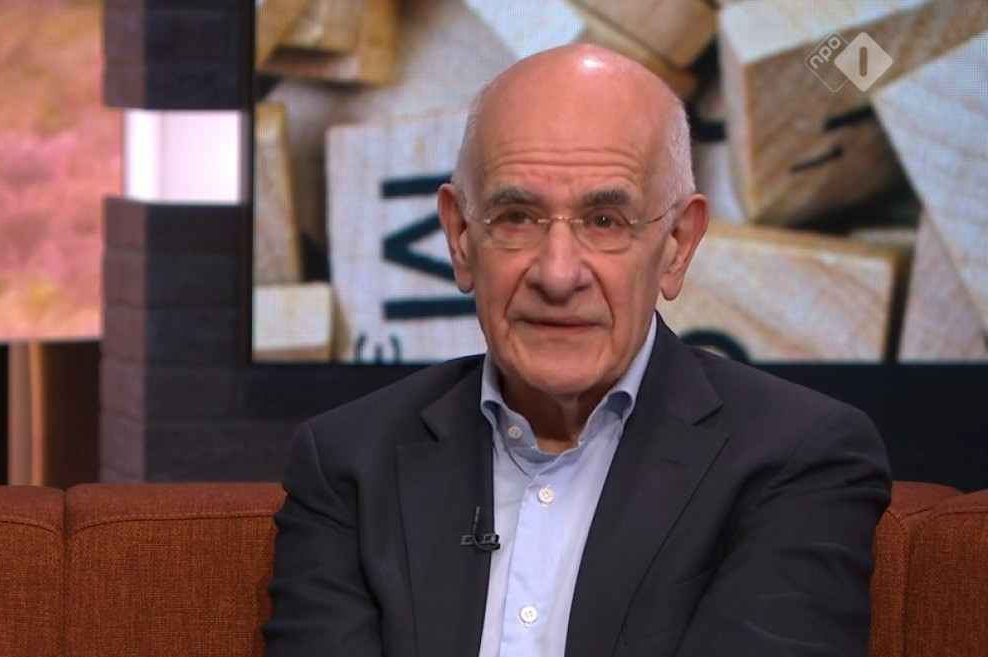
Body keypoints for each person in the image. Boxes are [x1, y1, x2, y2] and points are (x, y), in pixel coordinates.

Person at [262, 44, 891, 657]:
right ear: (459, 238)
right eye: (517, 217)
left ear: (677, 246)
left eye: (605, 221)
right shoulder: (348, 465)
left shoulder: (797, 459)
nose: (558, 275)